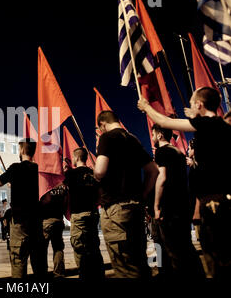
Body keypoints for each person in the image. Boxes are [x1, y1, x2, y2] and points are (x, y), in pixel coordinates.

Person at [138, 87, 231, 279]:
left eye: (192, 104)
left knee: (215, 256)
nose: (189, 107)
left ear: (200, 105)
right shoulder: (222, 127)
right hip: (223, 199)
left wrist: (146, 106)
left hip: (213, 203)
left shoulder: (206, 124)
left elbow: (164, 121)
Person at [94, 110, 159, 278]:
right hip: (136, 206)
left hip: (116, 208)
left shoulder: (107, 138)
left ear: (103, 124)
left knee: (124, 267)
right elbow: (153, 170)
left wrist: (97, 164)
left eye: (99, 129)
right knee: (139, 261)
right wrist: (143, 194)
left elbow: (100, 171)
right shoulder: (133, 139)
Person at [151, 124, 205, 279]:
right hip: (182, 204)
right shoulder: (179, 153)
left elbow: (162, 178)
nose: (153, 136)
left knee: (174, 251)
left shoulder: (162, 151)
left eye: (153, 133)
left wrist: (156, 206)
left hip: (169, 206)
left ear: (160, 135)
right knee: (186, 247)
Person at [0, 138, 47, 278]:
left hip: (19, 221)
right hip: (36, 220)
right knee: (39, 261)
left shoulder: (15, 168)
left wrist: (11, 180)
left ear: (22, 150)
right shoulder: (39, 170)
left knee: (18, 258)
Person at [64, 147, 105, 280]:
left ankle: (84, 275)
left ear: (76, 158)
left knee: (80, 248)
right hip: (93, 213)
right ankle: (99, 275)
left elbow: (62, 187)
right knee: (94, 247)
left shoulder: (70, 174)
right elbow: (100, 195)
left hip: (79, 215)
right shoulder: (93, 173)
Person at [39, 184, 67, 278]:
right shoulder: (61, 184)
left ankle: (42, 274)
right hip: (58, 219)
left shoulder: (45, 182)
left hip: (45, 220)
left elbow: (44, 200)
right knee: (58, 248)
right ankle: (59, 273)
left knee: (42, 250)